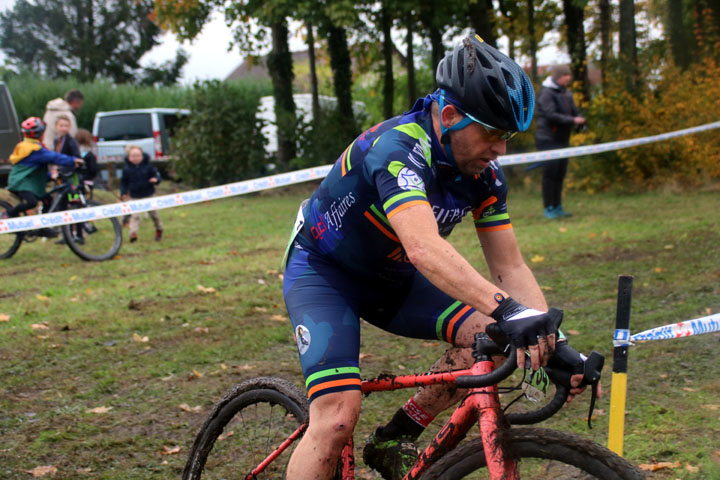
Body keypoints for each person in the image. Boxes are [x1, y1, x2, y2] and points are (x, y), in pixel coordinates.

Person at [282, 35, 592, 480]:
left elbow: (510, 266)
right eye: (493, 133)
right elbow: (424, 247)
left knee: (492, 336)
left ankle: (396, 435)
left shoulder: (484, 175)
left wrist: (555, 343)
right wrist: (510, 310)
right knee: (335, 418)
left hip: (396, 280)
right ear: (449, 116)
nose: (501, 149)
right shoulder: (397, 148)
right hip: (326, 274)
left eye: (508, 136)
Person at [3, 117, 83, 237]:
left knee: (47, 200)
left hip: (29, 181)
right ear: (40, 134)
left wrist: (50, 176)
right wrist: (73, 160)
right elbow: (53, 157)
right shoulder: (34, 150)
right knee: (32, 202)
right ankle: (7, 213)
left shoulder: (27, 146)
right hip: (21, 183)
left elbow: (34, 169)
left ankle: (42, 227)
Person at [534, 64, 586, 219]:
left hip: (563, 139)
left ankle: (557, 206)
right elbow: (550, 114)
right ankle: (548, 207)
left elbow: (574, 112)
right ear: (558, 77)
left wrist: (581, 121)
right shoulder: (546, 93)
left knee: (560, 173)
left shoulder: (567, 93)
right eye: (565, 75)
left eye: (569, 75)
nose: (568, 78)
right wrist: (573, 120)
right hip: (548, 139)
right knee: (550, 174)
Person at [119, 145, 163, 242]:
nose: (136, 158)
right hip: (135, 197)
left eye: (138, 156)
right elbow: (123, 182)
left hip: (149, 195)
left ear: (142, 156)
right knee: (135, 216)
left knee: (154, 215)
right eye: (133, 156)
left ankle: (159, 229)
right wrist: (123, 192)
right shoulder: (126, 170)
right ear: (129, 157)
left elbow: (157, 176)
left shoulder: (148, 167)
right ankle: (133, 233)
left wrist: (155, 180)